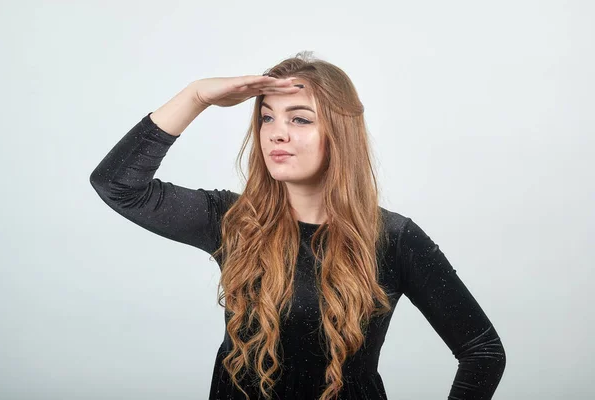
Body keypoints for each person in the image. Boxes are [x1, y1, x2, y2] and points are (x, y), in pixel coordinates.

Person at [90, 52, 506, 400]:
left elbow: (482, 351)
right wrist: (196, 95)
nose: (276, 134)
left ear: (339, 133)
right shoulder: (234, 221)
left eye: (300, 119)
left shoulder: (393, 239)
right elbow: (117, 184)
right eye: (267, 118)